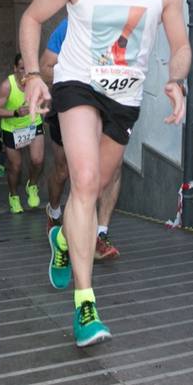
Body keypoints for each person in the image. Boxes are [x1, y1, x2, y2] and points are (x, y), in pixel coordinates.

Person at [19, 0, 191, 347]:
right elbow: (32, 18)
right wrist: (35, 74)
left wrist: (176, 80)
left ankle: (63, 240)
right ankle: (85, 304)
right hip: (78, 85)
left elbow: (181, 46)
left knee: (98, 185)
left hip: (125, 98)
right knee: (87, 179)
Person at [42, 18, 122, 260]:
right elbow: (46, 67)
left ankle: (100, 234)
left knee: (113, 167)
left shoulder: (120, 26)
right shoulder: (68, 26)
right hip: (70, 105)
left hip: (108, 105)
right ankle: (54, 213)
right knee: (64, 170)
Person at [0, 54, 46, 213]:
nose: (26, 73)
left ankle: (32, 185)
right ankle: (14, 195)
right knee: (16, 167)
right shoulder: (7, 86)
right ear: (15, 69)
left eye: (29, 69)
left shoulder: (36, 82)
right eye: (22, 69)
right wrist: (15, 113)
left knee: (37, 160)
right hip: (12, 129)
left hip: (32, 124)